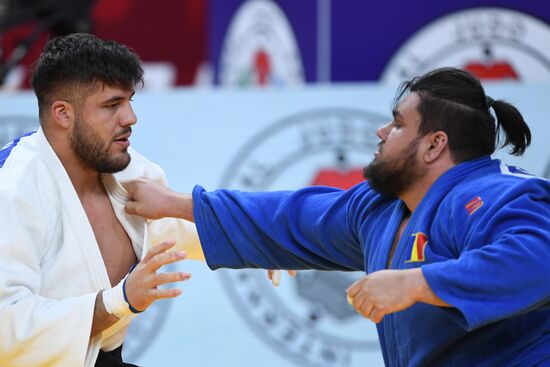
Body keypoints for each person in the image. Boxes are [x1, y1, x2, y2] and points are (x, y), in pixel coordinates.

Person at [123, 67, 550, 366]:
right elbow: (296, 216)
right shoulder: (380, 208)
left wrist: (416, 282)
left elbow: (538, 259)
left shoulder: (495, 193)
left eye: (398, 124)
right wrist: (177, 204)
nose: (381, 132)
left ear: (434, 145)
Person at [0, 33, 201, 366]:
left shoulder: (124, 167)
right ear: (63, 114)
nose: (130, 118)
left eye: (129, 101)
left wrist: (253, 244)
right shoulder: (13, 189)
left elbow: (178, 228)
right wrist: (119, 302)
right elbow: (6, 328)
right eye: (112, 105)